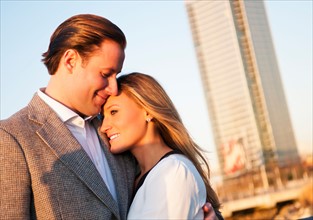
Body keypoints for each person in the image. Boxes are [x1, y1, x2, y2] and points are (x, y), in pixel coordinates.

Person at [0, 14, 218, 219]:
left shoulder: (118, 133)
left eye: (117, 74)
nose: (114, 88)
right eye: (105, 74)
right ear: (70, 61)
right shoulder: (12, 138)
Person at [101, 72, 223, 219]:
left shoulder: (174, 171)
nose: (104, 126)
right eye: (103, 117)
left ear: (147, 111)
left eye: (114, 112)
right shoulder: (134, 178)